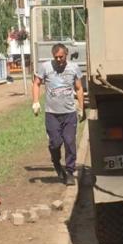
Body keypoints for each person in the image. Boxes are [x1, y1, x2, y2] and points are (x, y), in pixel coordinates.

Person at [33, 43, 84, 185]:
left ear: (66, 54)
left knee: (69, 142)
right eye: (56, 57)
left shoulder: (74, 68)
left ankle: (69, 172)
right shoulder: (45, 67)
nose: (59, 59)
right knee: (55, 143)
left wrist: (81, 108)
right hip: (52, 114)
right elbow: (36, 83)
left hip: (69, 113)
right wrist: (35, 102)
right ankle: (56, 162)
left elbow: (79, 88)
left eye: (61, 57)